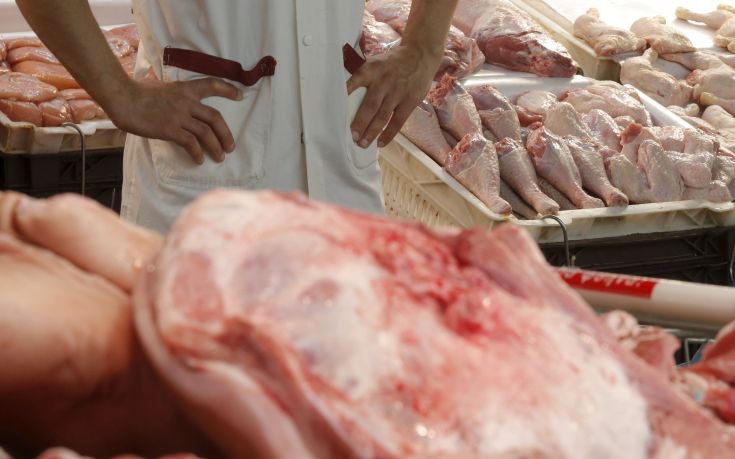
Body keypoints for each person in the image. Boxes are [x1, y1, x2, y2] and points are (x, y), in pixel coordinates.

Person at [16, 0, 459, 233]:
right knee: (198, 393)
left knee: (342, 385)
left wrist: (424, 46)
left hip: (341, 172)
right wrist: (120, 95)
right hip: (205, 183)